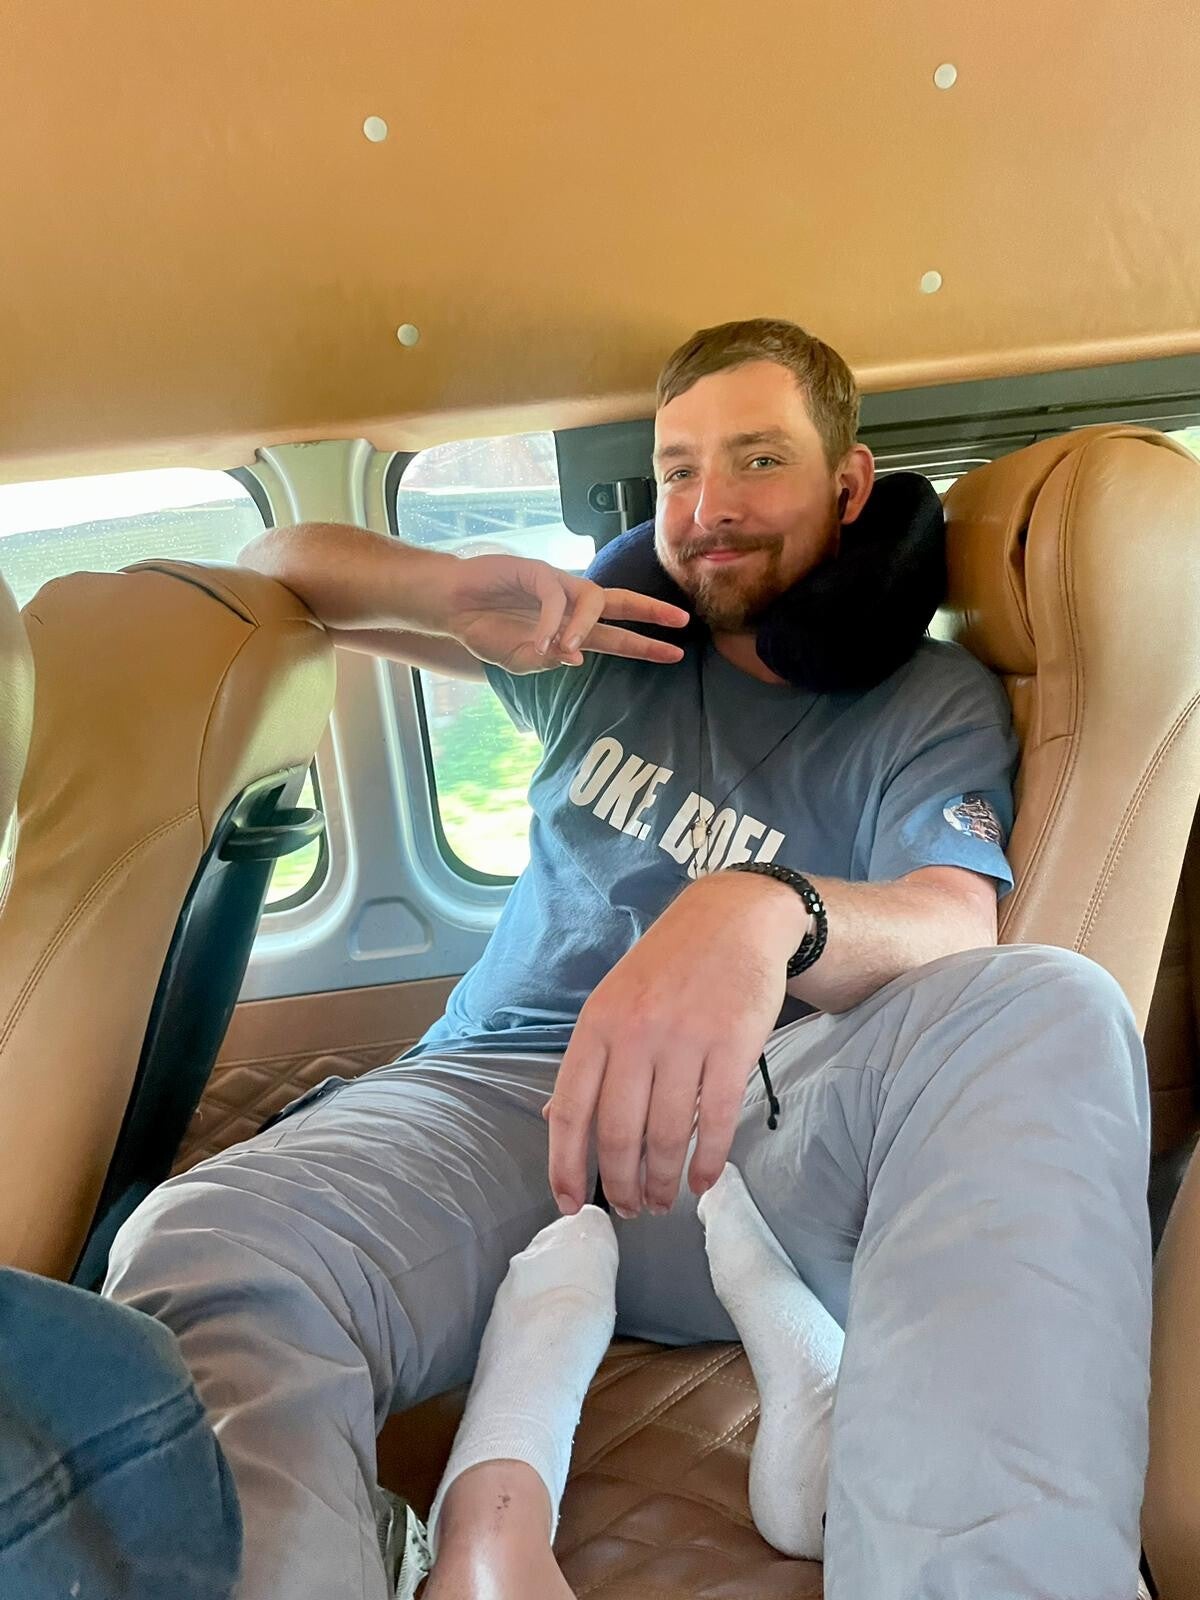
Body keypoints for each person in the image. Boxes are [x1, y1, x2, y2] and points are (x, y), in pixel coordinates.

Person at [104, 319, 1151, 1600]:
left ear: (849, 484)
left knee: (1052, 1003)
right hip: (498, 1098)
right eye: (676, 471)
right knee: (200, 1241)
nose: (709, 509)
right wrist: (449, 591)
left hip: (744, 1132)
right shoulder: (598, 655)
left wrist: (765, 910)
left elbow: (953, 921)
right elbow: (277, 564)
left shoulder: (926, 701)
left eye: (758, 459)